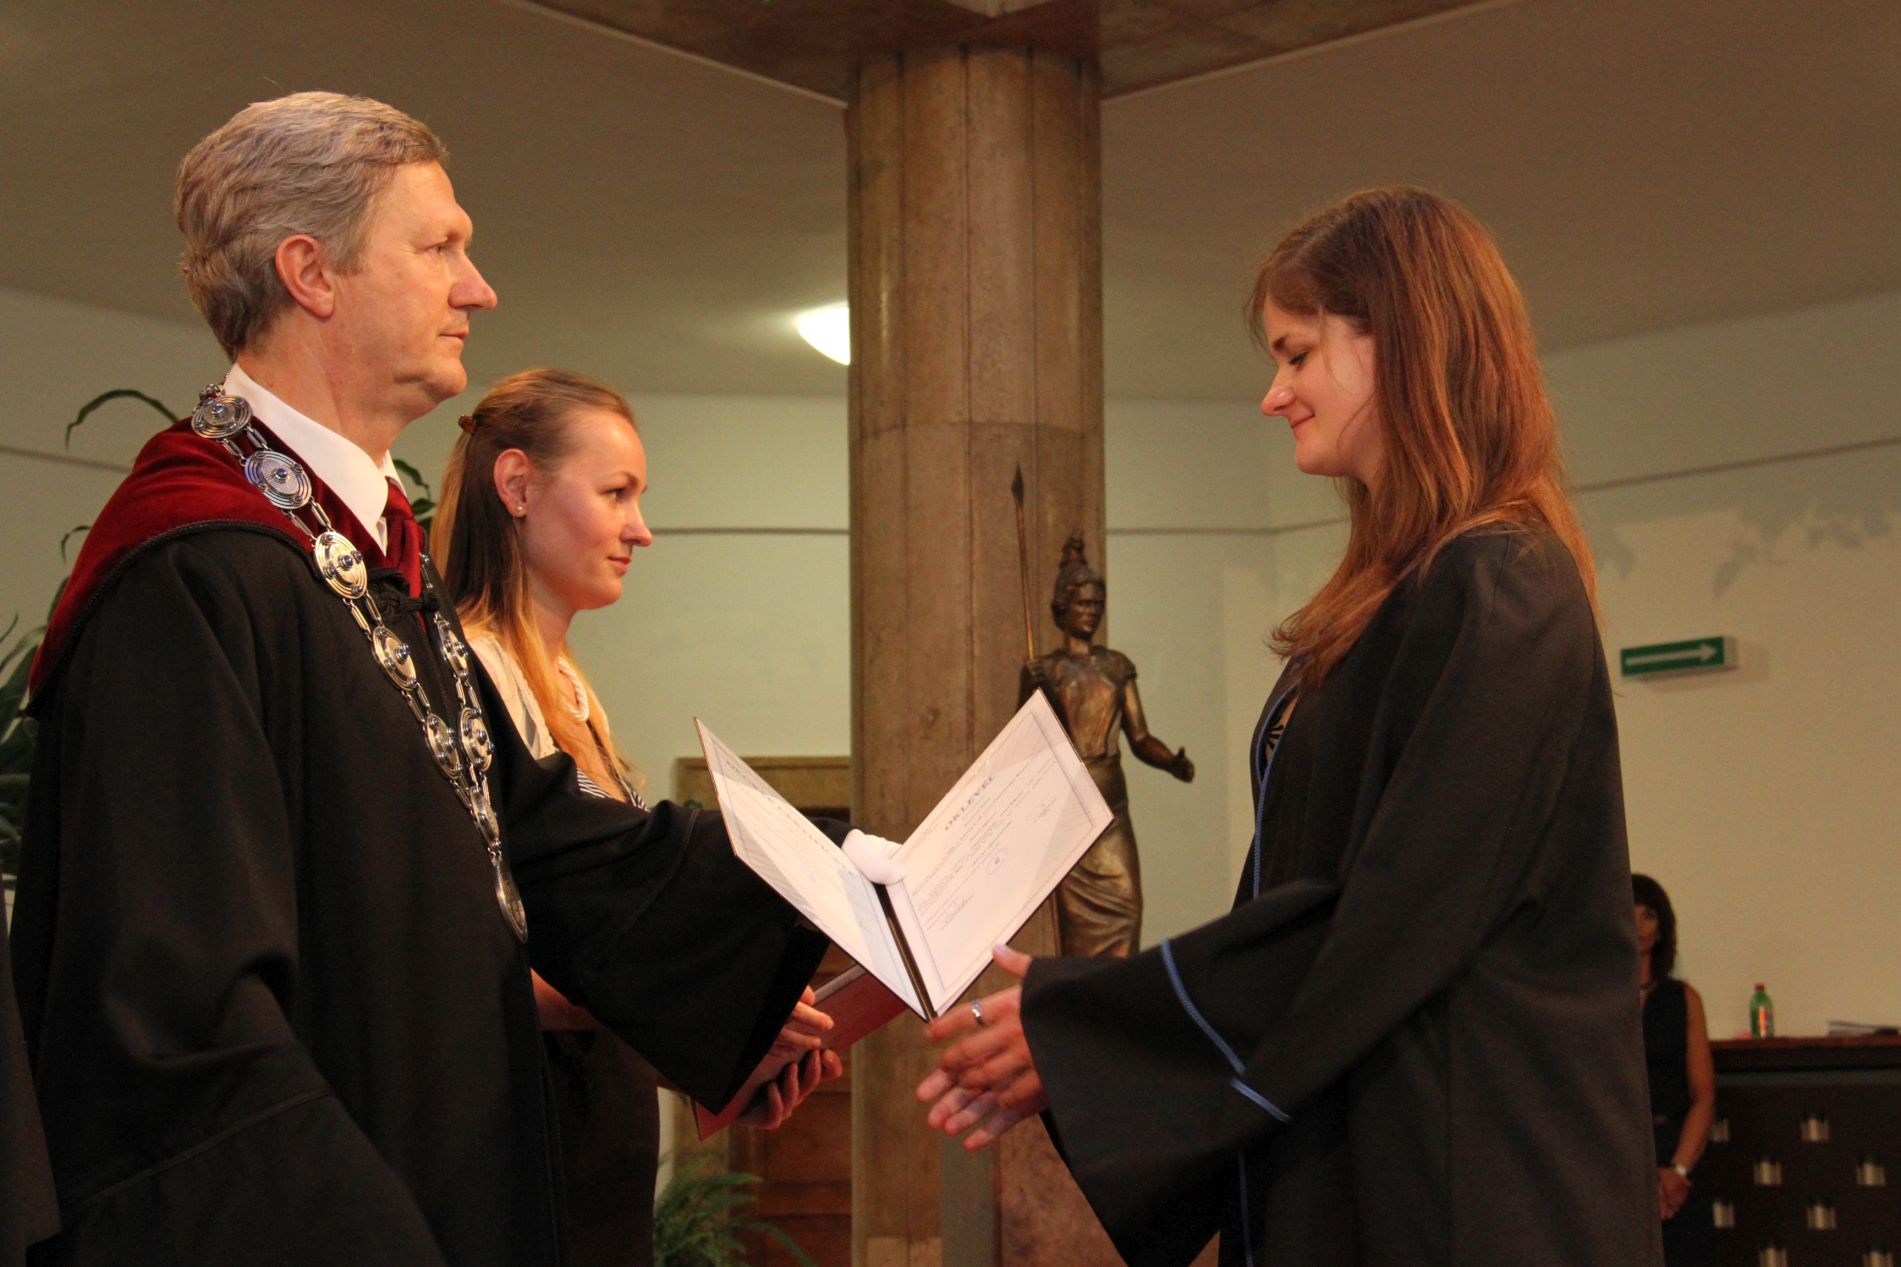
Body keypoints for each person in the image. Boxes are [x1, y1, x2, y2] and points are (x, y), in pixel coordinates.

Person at [7, 92, 855, 1265]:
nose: (479, 288)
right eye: (440, 247)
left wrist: (828, 878)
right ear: (311, 272)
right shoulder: (193, 570)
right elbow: (180, 1019)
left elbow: (540, 843)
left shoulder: (363, 560)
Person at [918, 187, 1661, 1266]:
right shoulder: (1406, 592)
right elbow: (1311, 898)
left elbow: (1397, 915)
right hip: (1374, 1131)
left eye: (1297, 354)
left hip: (1471, 1176)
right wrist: (1105, 1022)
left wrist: (1102, 1024)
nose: (1274, 396)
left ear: (1403, 341)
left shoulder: (1501, 584)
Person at [431, 368, 840, 1267]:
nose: (641, 528)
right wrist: (696, 1011)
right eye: (616, 493)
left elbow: (594, 953)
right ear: (517, 485)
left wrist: (725, 1050)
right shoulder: (465, 677)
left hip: (599, 1148)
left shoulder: (569, 685)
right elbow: (456, 962)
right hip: (516, 1147)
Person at [1022, 533, 1193, 957]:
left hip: (1113, 810)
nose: (1091, 612)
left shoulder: (1117, 666)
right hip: (1070, 812)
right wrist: (1033, 692)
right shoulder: (1045, 670)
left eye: (1097, 605)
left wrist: (1170, 762)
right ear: (1062, 608)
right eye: (1083, 604)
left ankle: (1115, 996)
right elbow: (1025, 743)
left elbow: (1140, 738)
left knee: (1129, 908)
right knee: (1076, 938)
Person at [1633, 874, 1716, 1266]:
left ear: (1662, 928)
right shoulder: (1593, 1001)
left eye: (1649, 915)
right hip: (1619, 1151)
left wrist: (1677, 1172)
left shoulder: (1684, 999)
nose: (1638, 924)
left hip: (1676, 1149)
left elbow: (1703, 1097)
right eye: (1629, 912)